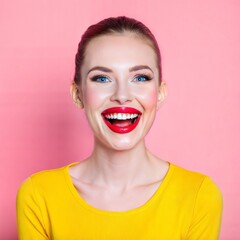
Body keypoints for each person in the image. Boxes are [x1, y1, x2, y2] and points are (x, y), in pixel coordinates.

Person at [17, 16, 223, 239]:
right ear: (78, 95)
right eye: (103, 78)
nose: (122, 96)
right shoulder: (39, 196)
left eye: (140, 77)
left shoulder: (198, 196)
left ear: (160, 93)